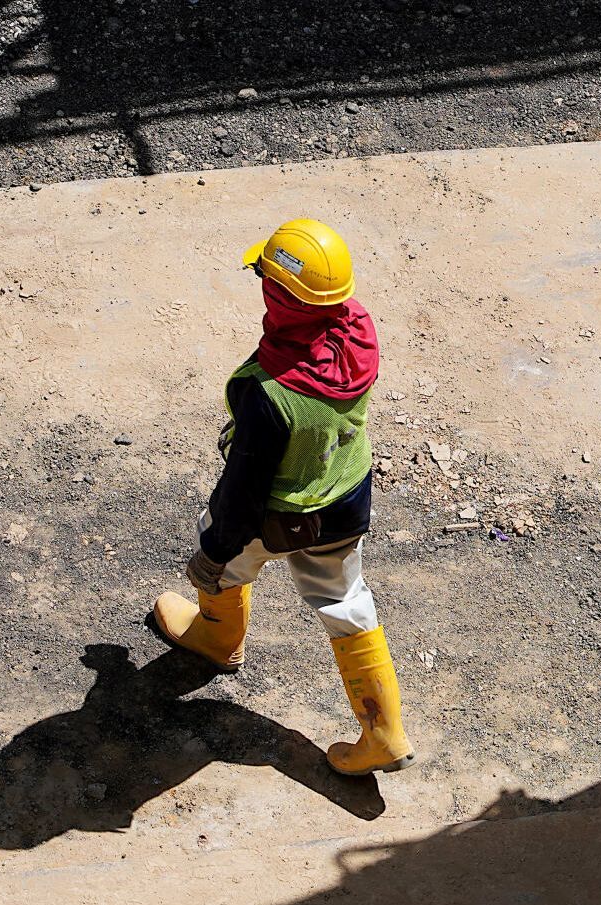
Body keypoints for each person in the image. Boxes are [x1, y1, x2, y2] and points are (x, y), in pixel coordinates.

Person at [151, 218, 413, 777]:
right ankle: (383, 734)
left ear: (280, 295)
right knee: (345, 602)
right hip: (345, 496)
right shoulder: (355, 332)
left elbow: (243, 492)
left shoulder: (269, 395)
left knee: (222, 560)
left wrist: (215, 550)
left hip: (279, 517)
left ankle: (218, 638)